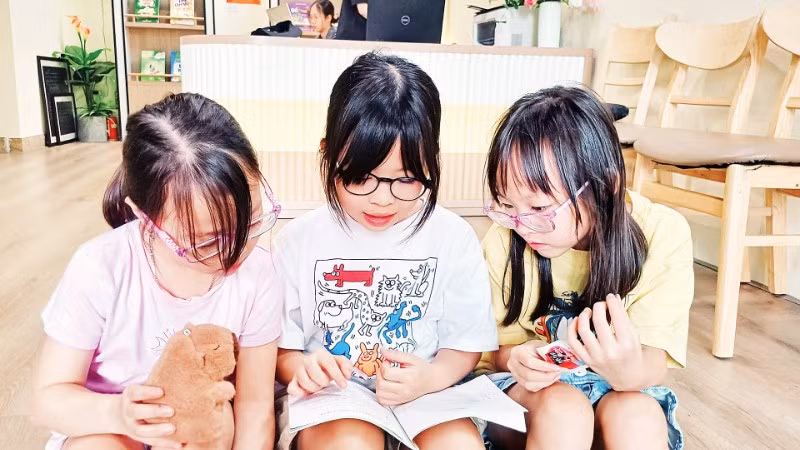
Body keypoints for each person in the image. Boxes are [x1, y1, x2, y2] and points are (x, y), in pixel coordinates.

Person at [31, 93, 284, 450]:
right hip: (109, 428)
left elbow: (254, 406)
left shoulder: (259, 274)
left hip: (198, 430)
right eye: (208, 242)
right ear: (144, 217)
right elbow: (48, 401)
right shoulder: (101, 268)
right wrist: (118, 414)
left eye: (253, 220)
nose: (238, 248)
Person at [273, 52, 498, 450]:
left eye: (407, 179)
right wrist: (304, 367)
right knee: (349, 443)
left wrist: (430, 377)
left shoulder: (453, 237)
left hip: (427, 393)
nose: (382, 199)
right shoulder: (298, 241)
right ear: (327, 154)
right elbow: (282, 351)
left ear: (432, 162)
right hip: (334, 398)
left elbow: (465, 344)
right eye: (361, 177)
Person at [479, 86, 694, 450]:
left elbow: (654, 361)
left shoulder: (661, 232)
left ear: (605, 187)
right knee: (563, 409)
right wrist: (517, 358)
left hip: (620, 388)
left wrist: (627, 371)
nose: (522, 225)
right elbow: (498, 350)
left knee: (638, 416)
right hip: (529, 398)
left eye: (539, 208)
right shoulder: (505, 238)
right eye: (506, 205)